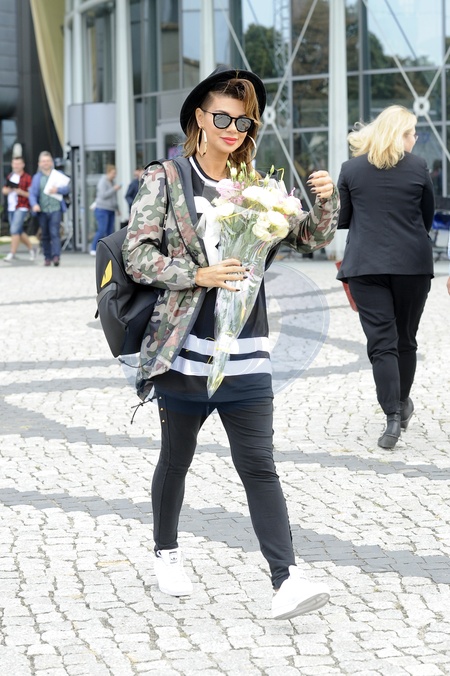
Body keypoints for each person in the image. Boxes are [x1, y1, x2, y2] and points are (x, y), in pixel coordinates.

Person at [122, 65, 340, 620]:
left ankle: (286, 579)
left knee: (259, 464)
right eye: (222, 118)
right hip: (184, 350)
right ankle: (166, 552)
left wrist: (325, 202)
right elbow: (137, 255)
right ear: (199, 117)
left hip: (245, 350)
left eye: (243, 122)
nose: (232, 129)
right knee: (177, 459)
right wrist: (198, 275)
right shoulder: (167, 179)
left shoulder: (256, 188)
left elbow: (308, 237)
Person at [336, 105, 435, 449]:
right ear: (400, 135)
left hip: (366, 266)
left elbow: (343, 219)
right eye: (412, 133)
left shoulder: (350, 169)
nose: (415, 139)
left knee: (382, 343)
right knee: (405, 339)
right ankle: (402, 406)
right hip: (413, 264)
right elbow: (426, 216)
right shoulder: (419, 166)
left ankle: (392, 416)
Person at [29, 151, 71, 267]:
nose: (45, 163)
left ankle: (56, 256)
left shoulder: (58, 175)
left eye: (47, 161)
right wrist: (34, 204)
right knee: (45, 234)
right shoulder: (37, 178)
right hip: (42, 210)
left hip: (55, 208)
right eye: (43, 161)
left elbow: (67, 188)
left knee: (54, 232)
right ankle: (47, 257)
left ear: (51, 162)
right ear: (39, 163)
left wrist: (58, 190)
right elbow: (32, 194)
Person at [2, 157, 35, 262]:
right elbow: (4, 190)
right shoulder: (10, 176)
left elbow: (32, 194)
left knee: (14, 230)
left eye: (18, 164)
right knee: (18, 231)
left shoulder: (27, 178)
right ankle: (31, 248)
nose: (16, 166)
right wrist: (9, 189)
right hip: (11, 207)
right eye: (14, 164)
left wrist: (21, 192)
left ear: (23, 165)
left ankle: (12, 253)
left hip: (22, 206)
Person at [90, 164, 121, 255]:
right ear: (108, 172)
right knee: (102, 230)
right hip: (102, 209)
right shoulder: (103, 181)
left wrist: (117, 208)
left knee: (110, 232)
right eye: (113, 173)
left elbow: (114, 198)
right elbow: (103, 195)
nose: (114, 175)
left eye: (115, 173)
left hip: (111, 209)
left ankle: (108, 250)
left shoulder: (113, 182)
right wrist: (114, 189)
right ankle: (93, 248)